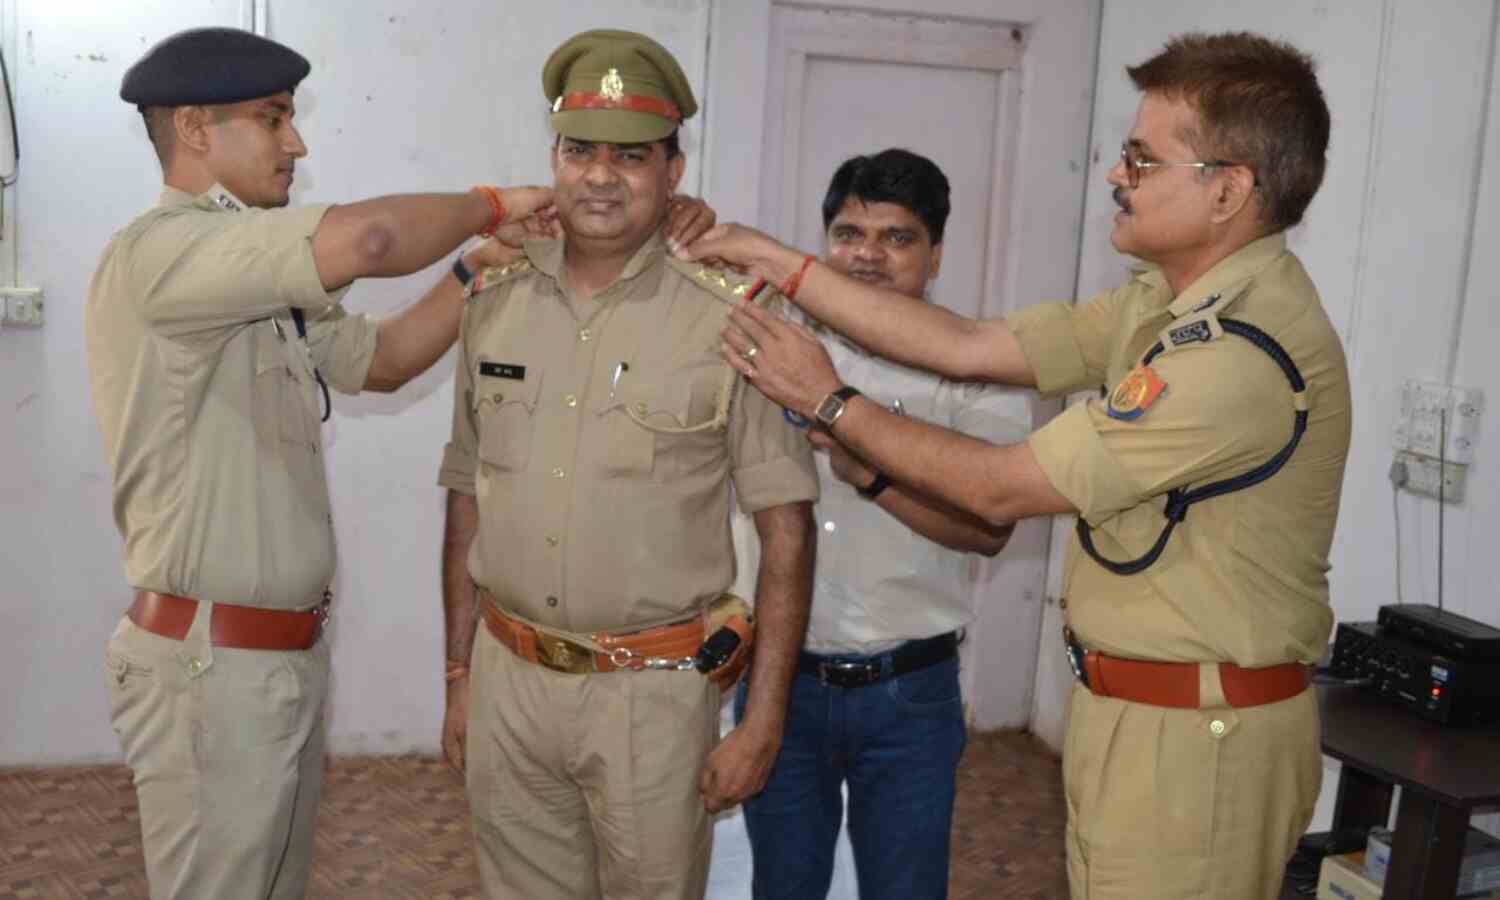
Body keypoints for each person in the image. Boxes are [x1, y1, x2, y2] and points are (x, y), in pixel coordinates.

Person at [684, 32, 1351, 900]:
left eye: (1143, 160)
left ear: (1227, 190)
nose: (1116, 176)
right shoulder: (1160, 302)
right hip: (1139, 710)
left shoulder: (1235, 355)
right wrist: (777, 260)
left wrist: (832, 403)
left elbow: (999, 489)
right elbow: (969, 343)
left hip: (1202, 731)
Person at [83, 24, 718, 900]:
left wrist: (473, 270)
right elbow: (374, 240)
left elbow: (378, 361)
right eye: (273, 119)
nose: (296, 143)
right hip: (209, 665)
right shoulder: (165, 252)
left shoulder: (244, 272)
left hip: (270, 662)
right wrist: (494, 204)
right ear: (195, 128)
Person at [436, 29, 817, 900]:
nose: (600, 176)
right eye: (580, 151)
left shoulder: (731, 315)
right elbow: (466, 496)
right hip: (508, 680)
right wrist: (459, 676)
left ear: (673, 171)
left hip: (651, 699)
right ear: (554, 161)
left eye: (631, 155)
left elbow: (787, 528)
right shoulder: (492, 302)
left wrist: (763, 719)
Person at [735, 148, 1028, 900]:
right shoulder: (768, 344)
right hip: (780, 684)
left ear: (936, 254)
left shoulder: (979, 367)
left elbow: (988, 529)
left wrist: (870, 474)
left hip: (910, 694)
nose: (867, 255)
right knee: (782, 887)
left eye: (897, 237)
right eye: (848, 233)